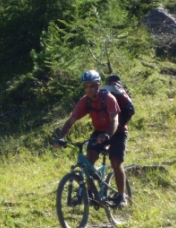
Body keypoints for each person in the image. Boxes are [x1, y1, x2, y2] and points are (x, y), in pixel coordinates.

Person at [54, 70, 129, 207]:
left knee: (116, 162)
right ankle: (91, 193)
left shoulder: (108, 98)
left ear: (98, 85)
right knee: (89, 160)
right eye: (86, 86)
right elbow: (71, 121)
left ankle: (121, 196)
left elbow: (114, 120)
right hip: (98, 132)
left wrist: (107, 135)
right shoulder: (85, 101)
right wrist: (61, 137)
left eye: (92, 86)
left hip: (117, 132)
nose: (89, 89)